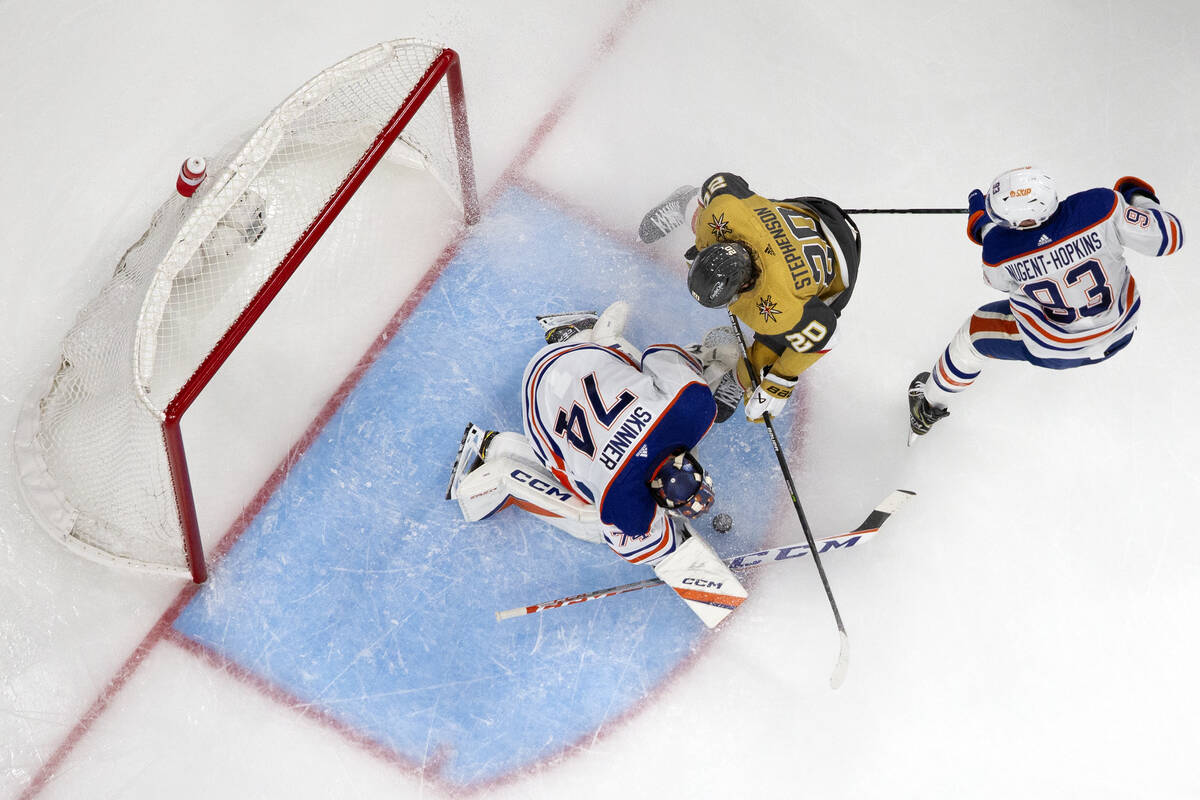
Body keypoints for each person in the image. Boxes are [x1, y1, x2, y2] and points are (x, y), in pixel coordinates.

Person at [446, 301, 748, 627]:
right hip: (540, 408)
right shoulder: (623, 503)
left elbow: (660, 356)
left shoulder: (694, 410)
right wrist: (702, 578)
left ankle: (590, 336)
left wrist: (702, 369)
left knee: (662, 383)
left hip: (573, 362)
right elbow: (645, 547)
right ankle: (499, 459)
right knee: (591, 519)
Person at [908, 167, 1185, 440]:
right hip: (1121, 327)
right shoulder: (1101, 206)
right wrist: (1136, 198)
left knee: (972, 336)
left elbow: (999, 280)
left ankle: (928, 405)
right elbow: (1170, 237)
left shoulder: (998, 251)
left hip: (1055, 348)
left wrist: (985, 229)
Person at [640, 172, 862, 423]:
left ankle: (741, 378)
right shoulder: (725, 213)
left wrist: (779, 381)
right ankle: (684, 201)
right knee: (707, 225)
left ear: (745, 284)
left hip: (839, 269)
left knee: (772, 352)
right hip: (806, 217)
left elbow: (827, 333)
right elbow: (720, 182)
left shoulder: (779, 307)